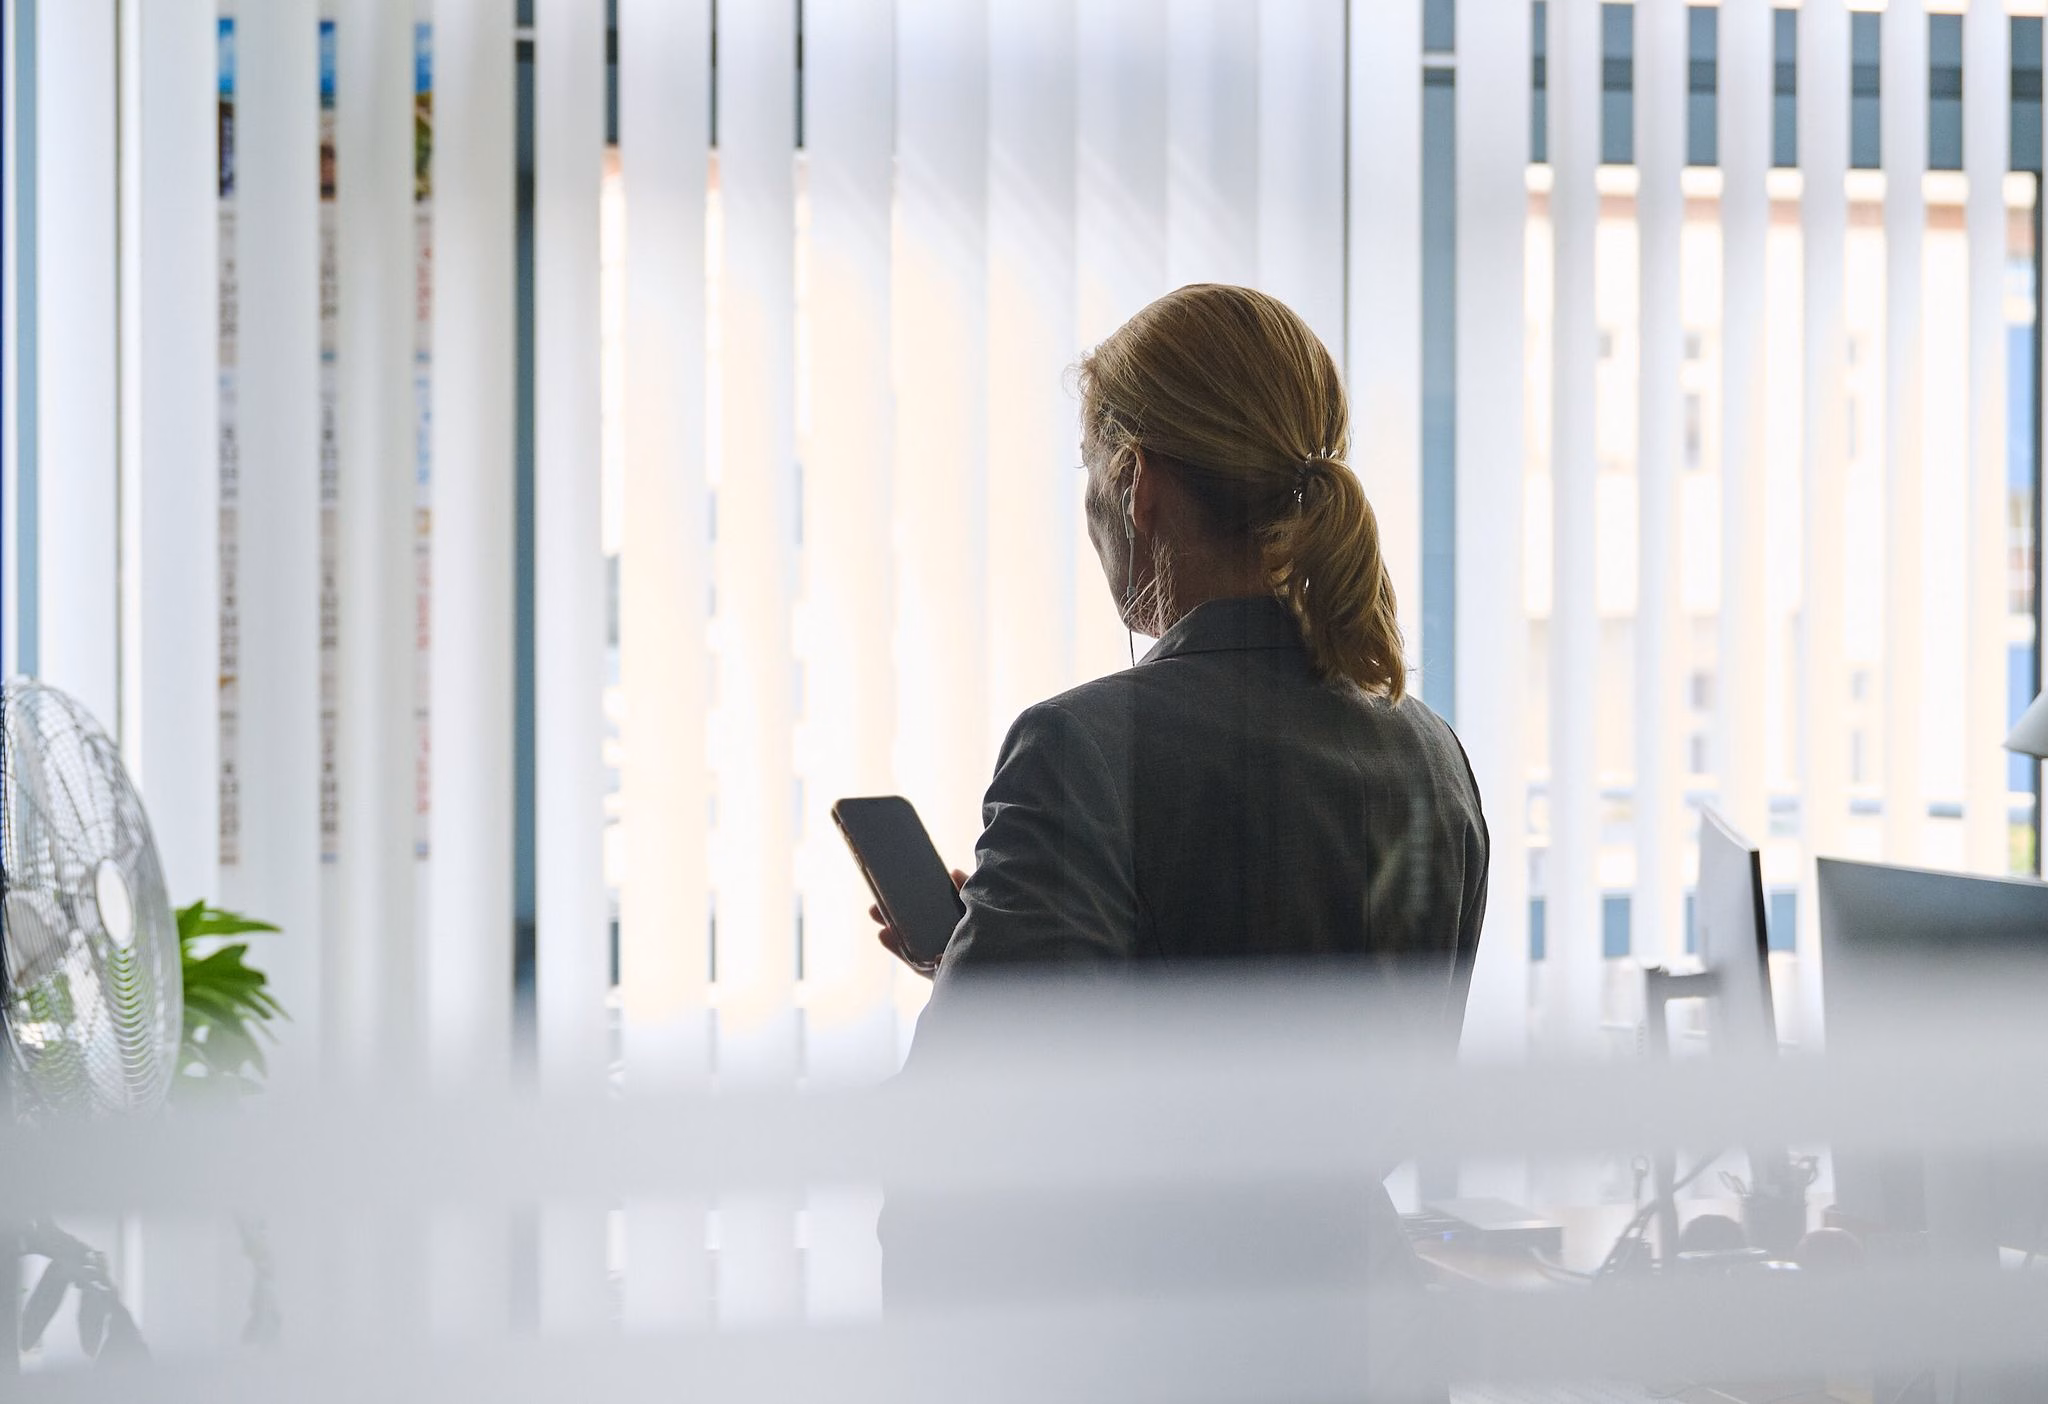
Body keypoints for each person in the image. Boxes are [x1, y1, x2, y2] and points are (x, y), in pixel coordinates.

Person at [872, 284, 1488, 1398]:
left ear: (1137, 482)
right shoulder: (1429, 754)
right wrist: (981, 949)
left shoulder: (1082, 748)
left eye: (1088, 469)